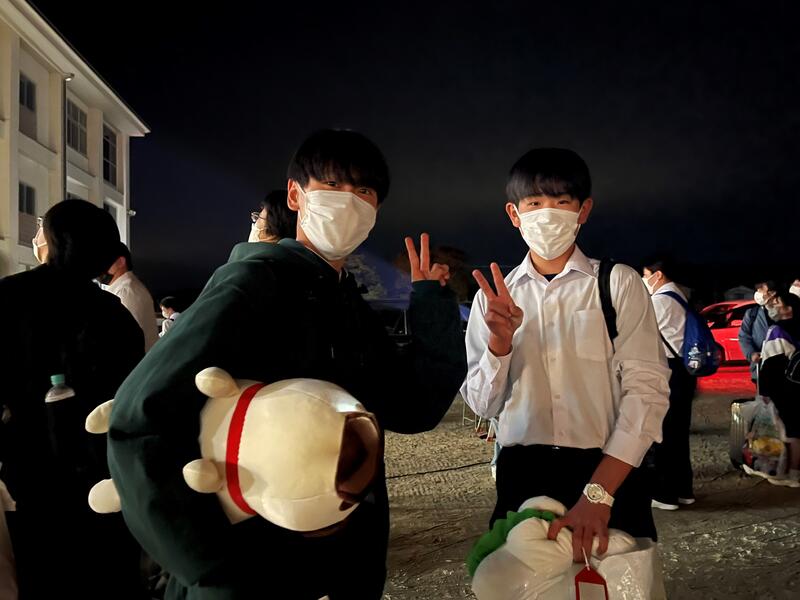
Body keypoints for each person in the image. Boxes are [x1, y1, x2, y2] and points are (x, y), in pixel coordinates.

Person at [107, 129, 467, 600]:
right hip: (259, 567)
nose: (349, 201)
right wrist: (208, 566)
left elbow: (410, 406)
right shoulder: (254, 283)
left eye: (364, 191)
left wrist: (431, 305)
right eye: (332, 185)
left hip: (344, 562)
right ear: (296, 195)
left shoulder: (344, 299)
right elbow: (139, 417)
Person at [461, 147, 670, 563]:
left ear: (583, 210)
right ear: (514, 214)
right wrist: (500, 344)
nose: (548, 214)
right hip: (522, 474)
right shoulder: (494, 299)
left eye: (561, 201)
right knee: (523, 586)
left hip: (607, 469)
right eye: (534, 203)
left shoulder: (617, 284)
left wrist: (599, 493)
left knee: (609, 584)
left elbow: (647, 391)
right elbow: (483, 405)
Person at [0, 199, 146, 599]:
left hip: (32, 475)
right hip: (104, 477)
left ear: (54, 240)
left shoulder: (10, 298)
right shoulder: (115, 316)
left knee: (44, 576)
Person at [641, 259, 697, 510]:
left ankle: (665, 495)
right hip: (683, 371)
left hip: (667, 370)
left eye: (645, 275)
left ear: (658, 275)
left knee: (662, 432)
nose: (644, 280)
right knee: (679, 432)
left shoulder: (660, 301)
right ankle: (684, 490)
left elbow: (638, 334)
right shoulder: (680, 297)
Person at [759, 289, 800, 487]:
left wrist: (765, 391)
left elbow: (770, 364)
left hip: (784, 388)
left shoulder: (777, 331)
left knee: (790, 433)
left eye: (777, 303)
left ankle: (792, 473)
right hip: (797, 384)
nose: (773, 306)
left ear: (788, 309)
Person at [101, 243, 159, 351]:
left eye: (105, 262)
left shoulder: (125, 292)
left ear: (121, 262)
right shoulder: (128, 288)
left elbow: (126, 339)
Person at [739, 281, 777, 383]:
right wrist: (751, 354)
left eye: (761, 290)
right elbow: (744, 336)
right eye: (757, 290)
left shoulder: (783, 312)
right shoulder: (752, 313)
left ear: (772, 293)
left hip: (782, 367)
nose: (758, 293)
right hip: (759, 368)